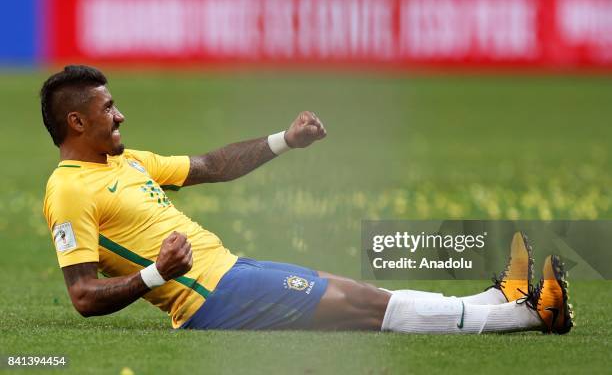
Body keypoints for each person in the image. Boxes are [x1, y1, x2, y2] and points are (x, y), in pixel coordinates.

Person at [41, 65, 573, 334]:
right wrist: (156, 274)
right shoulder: (68, 190)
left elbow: (208, 166)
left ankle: (498, 301)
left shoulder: (126, 161)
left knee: (359, 293)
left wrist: (283, 141)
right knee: (365, 307)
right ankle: (529, 315)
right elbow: (84, 296)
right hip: (211, 297)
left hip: (230, 272)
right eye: (109, 108)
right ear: (77, 121)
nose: (120, 115)